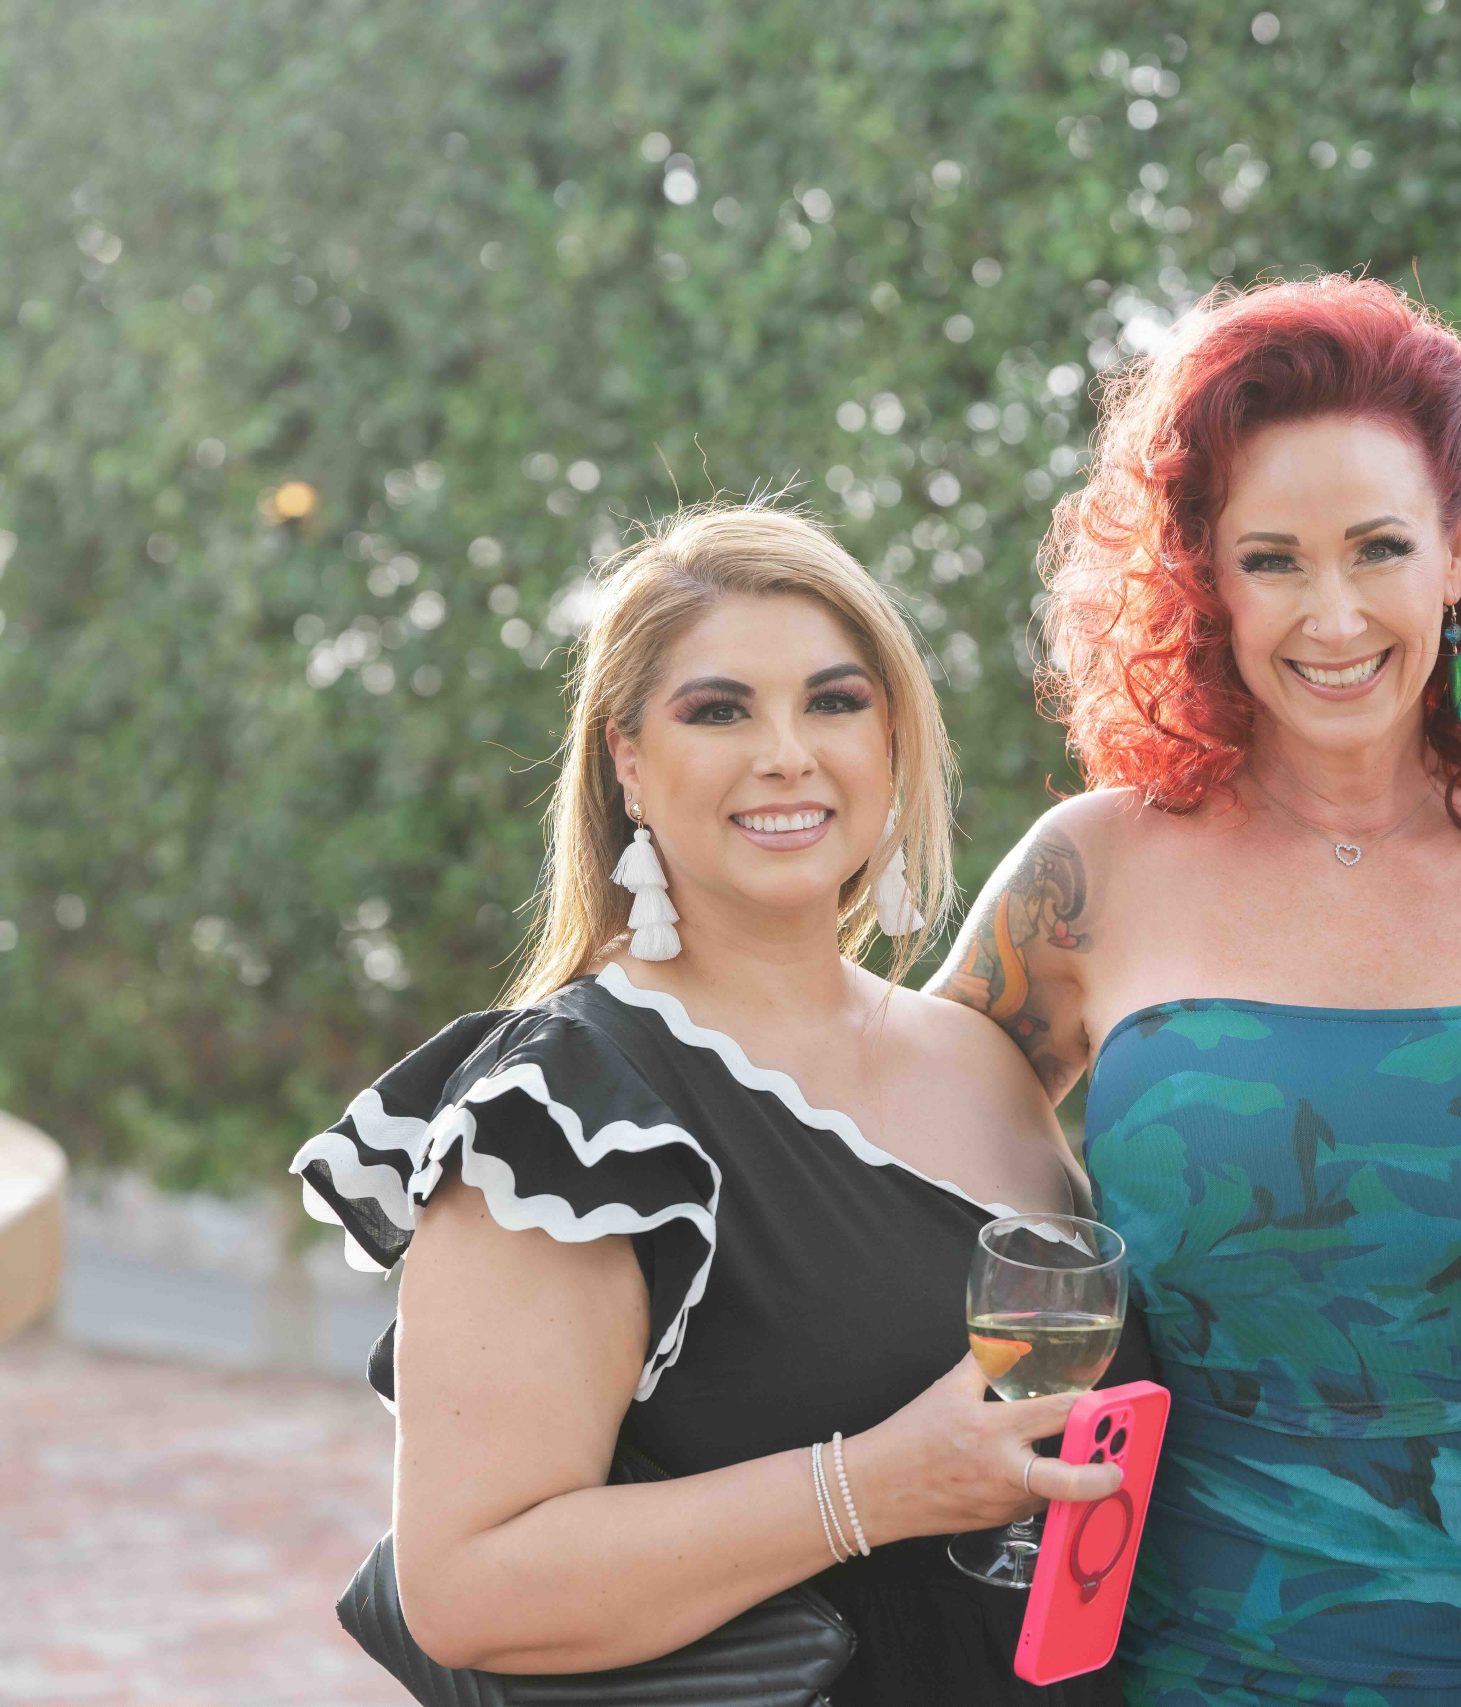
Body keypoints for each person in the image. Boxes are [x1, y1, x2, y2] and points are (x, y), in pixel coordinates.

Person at [929, 277, 1461, 1702]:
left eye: (1379, 548)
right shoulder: (1092, 871)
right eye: (1271, 559)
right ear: (1204, 577)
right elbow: (881, 1171)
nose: (1331, 615)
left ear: (1459, 550)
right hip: (1188, 1672)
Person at [290, 504, 1139, 1700]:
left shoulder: (984, 1059)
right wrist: (873, 1486)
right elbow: (465, 1587)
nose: (786, 753)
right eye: (719, 711)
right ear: (629, 761)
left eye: (834, 702)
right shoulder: (564, 1110)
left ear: (891, 742)